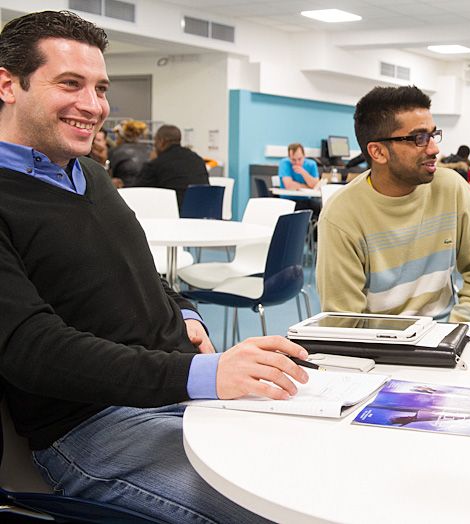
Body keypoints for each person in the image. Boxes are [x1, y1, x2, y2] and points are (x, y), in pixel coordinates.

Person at [0, 10, 312, 522]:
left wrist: (186, 313)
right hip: (94, 425)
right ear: (9, 85)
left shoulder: (92, 176)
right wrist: (201, 375)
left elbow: (146, 277)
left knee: (322, 465)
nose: (93, 105)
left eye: (100, 88)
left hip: (175, 391)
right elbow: (34, 349)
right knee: (277, 511)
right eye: (70, 84)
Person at [316, 85, 470, 322]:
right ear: (378, 152)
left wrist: (457, 327)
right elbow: (343, 320)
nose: (434, 148)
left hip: (445, 335)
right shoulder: (342, 215)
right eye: (419, 138)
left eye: (433, 135)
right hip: (377, 349)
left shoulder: (452, 189)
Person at [133, 124, 209, 207]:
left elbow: (136, 191)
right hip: (204, 211)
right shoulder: (198, 159)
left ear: (161, 141)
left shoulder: (157, 164)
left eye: (155, 141)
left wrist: (150, 161)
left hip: (173, 213)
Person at [277, 142, 321, 214]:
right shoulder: (284, 163)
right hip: (288, 200)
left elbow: (316, 185)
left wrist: (303, 172)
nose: (297, 163)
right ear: (289, 158)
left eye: (300, 159)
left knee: (321, 207)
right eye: (293, 160)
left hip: (306, 200)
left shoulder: (311, 164)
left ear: (304, 156)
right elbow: (289, 185)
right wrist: (308, 187)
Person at [107, 118, 149, 187]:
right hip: (146, 190)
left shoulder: (115, 152)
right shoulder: (147, 150)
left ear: (120, 137)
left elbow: (109, 175)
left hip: (125, 190)